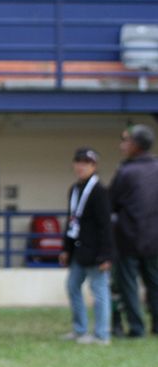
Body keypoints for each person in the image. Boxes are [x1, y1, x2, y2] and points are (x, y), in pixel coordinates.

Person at [58, 147, 114, 345]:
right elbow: (71, 220)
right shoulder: (74, 189)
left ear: (94, 166)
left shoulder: (99, 191)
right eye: (78, 162)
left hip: (96, 251)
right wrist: (66, 248)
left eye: (86, 163)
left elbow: (105, 225)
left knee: (99, 292)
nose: (81, 167)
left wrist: (106, 255)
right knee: (72, 286)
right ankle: (80, 329)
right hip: (78, 250)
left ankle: (101, 334)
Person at [109, 124, 158, 338]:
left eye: (126, 140)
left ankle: (136, 328)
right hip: (155, 239)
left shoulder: (126, 171)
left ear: (136, 145)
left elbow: (111, 203)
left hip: (128, 238)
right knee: (154, 283)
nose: (122, 145)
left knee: (128, 285)